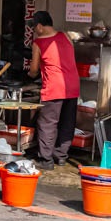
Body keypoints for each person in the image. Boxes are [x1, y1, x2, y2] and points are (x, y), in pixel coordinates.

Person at [27, 11, 80, 170]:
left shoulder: (38, 43)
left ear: (40, 26)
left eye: (35, 27)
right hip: (72, 85)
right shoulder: (66, 36)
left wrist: (30, 74)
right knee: (67, 122)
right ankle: (61, 156)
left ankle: (46, 160)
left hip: (54, 87)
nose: (35, 31)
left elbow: (34, 69)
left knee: (47, 123)